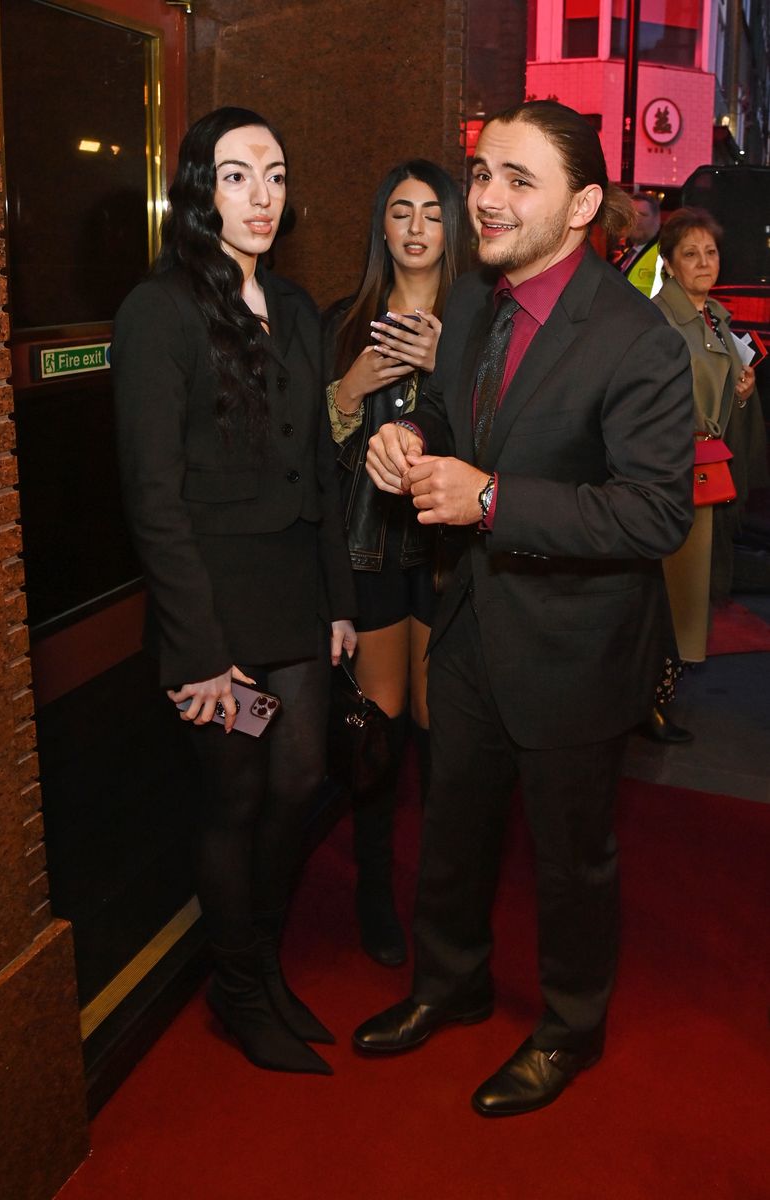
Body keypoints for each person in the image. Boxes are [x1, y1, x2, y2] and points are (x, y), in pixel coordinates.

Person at [352, 100, 694, 1116]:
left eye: (517, 180)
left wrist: (493, 499)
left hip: (577, 651)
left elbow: (654, 510)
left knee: (570, 860)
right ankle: (447, 987)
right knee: (452, 829)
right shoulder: (467, 307)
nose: (486, 200)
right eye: (482, 173)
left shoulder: (637, 339)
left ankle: (569, 1030)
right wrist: (405, 448)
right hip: (468, 629)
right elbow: (460, 425)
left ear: (583, 204)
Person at [112, 107, 357, 1076]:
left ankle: (257, 959)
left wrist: (339, 599)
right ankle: (239, 986)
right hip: (215, 607)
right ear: (198, 190)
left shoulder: (297, 309)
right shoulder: (159, 309)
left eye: (276, 176)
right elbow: (151, 497)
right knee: (235, 794)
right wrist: (200, 649)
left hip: (293, 596)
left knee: (297, 778)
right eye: (237, 175)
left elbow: (321, 466)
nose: (262, 196)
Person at [323, 161, 471, 967]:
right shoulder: (345, 321)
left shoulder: (478, 323)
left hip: (452, 556)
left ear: (454, 229)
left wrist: (446, 362)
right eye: (400, 212)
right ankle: (374, 890)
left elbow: (498, 439)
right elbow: (311, 457)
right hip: (372, 548)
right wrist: (352, 388)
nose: (415, 227)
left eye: (432, 214)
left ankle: (444, 904)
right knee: (376, 734)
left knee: (441, 730)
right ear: (381, 226)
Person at [650, 208, 767, 720]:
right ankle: (650, 701)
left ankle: (662, 696)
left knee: (693, 588)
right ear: (669, 265)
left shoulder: (715, 317)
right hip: (674, 475)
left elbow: (722, 394)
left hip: (709, 471)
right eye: (690, 254)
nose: (704, 262)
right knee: (668, 590)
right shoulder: (656, 318)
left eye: (711, 252)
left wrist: (742, 393)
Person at [615, 192, 663, 297]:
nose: (637, 220)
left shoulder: (664, 253)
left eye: (643, 215)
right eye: (632, 215)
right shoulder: (630, 252)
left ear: (657, 220)